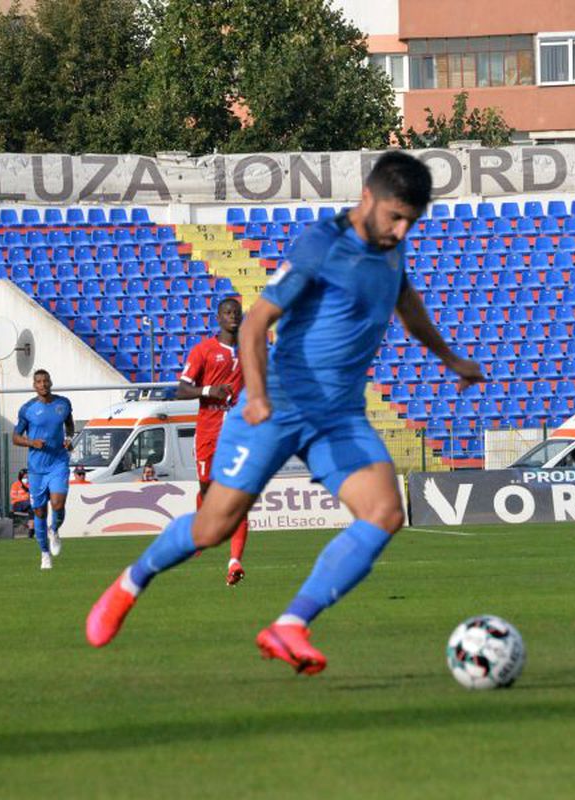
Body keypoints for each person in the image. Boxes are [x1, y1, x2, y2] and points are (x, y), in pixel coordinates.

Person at [86, 151, 484, 675]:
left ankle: (291, 624)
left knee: (385, 513)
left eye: (413, 219)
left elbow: (406, 304)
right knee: (212, 528)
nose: (403, 228)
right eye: (395, 216)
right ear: (368, 198)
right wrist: (256, 396)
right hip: (277, 405)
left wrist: (450, 356)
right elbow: (255, 325)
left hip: (338, 416)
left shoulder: (392, 248)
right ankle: (130, 582)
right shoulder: (322, 246)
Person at [175, 296, 249, 585]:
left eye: (236, 312)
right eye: (227, 313)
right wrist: (208, 390)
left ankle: (234, 562)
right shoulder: (203, 350)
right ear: (218, 318)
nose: (232, 316)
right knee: (207, 490)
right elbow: (182, 390)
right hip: (208, 432)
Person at [12, 369, 75, 570]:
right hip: (37, 467)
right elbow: (15, 437)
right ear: (34, 385)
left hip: (58, 462)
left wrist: (69, 439)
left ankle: (54, 530)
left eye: (45, 381)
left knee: (58, 503)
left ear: (50, 382)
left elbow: (69, 425)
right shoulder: (27, 409)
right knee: (39, 511)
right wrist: (31, 442)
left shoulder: (63, 404)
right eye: (38, 381)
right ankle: (44, 553)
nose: (43, 384)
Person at [9, 469, 33, 536]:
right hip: (17, 504)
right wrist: (24, 498)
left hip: (28, 505)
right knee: (30, 503)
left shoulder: (31, 485)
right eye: (25, 477)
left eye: (27, 477)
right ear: (20, 477)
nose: (26, 479)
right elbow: (13, 496)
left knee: (32, 510)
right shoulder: (15, 485)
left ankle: (31, 530)